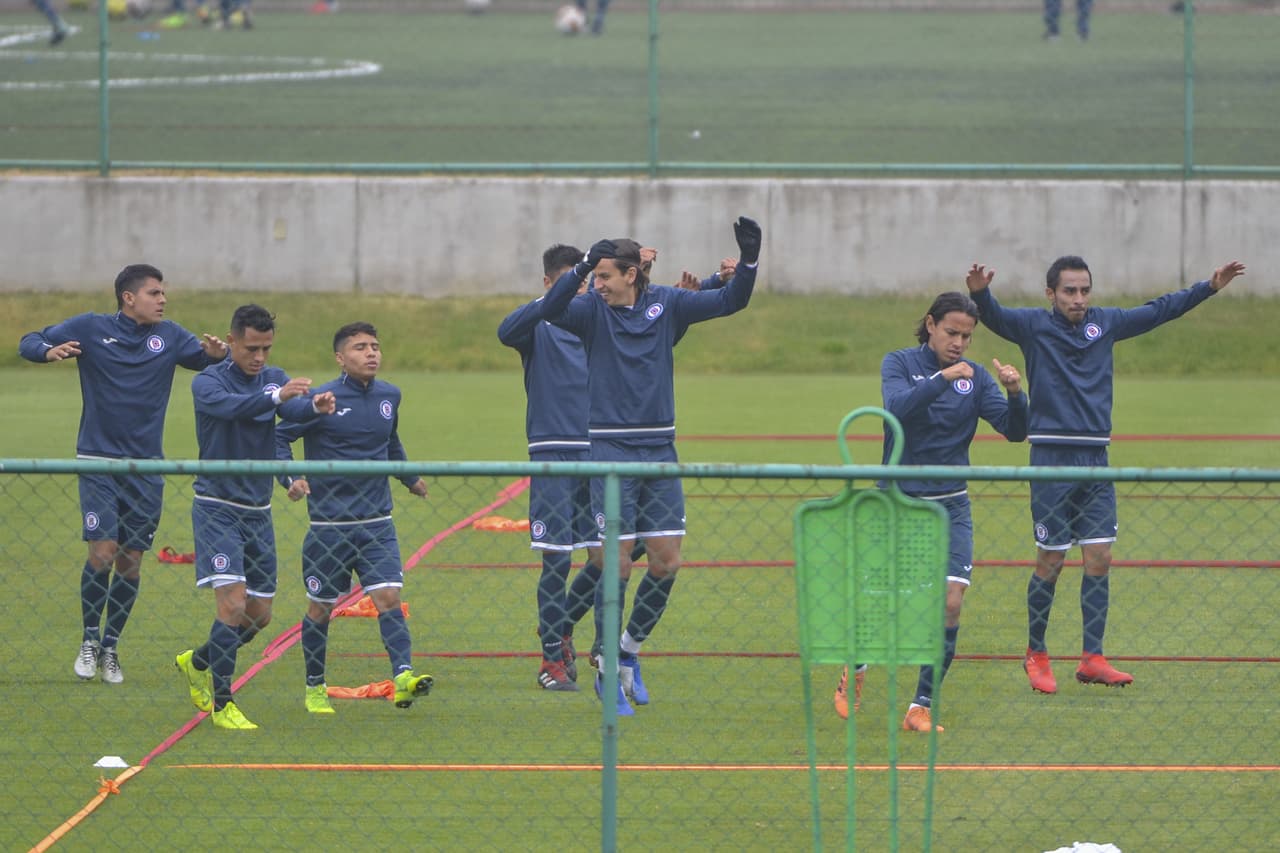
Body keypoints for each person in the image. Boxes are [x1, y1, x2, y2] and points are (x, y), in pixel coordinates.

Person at [966, 256, 1246, 694]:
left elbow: (1158, 311)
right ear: (1051, 294)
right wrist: (980, 293)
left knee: (1099, 557)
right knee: (1052, 560)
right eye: (1069, 291)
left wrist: (1208, 287)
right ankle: (1036, 653)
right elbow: (994, 316)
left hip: (1096, 460)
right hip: (1052, 462)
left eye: (1084, 290)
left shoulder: (1107, 323)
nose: (1078, 299)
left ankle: (1092, 657)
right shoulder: (1032, 327)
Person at [537, 217, 761, 714]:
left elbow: (731, 301)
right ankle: (605, 672)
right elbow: (549, 310)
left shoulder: (668, 304)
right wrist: (579, 275)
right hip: (610, 454)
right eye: (594, 277)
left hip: (660, 452)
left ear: (632, 275)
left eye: (604, 276)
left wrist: (749, 262)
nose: (598, 284)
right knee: (613, 564)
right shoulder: (590, 310)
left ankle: (628, 653)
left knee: (666, 561)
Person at [19, 264, 227, 684]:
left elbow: (204, 361)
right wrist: (47, 351)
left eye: (163, 292)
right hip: (97, 460)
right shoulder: (91, 328)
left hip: (147, 465)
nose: (163, 299)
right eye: (154, 293)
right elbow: (29, 340)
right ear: (128, 298)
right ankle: (89, 639)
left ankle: (112, 645)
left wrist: (216, 356)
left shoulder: (170, 335)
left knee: (131, 563)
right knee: (102, 551)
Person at [833, 292, 1027, 733]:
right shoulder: (899, 363)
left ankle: (920, 706)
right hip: (897, 501)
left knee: (950, 603)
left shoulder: (975, 378)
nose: (959, 343)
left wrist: (1016, 395)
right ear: (931, 324)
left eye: (967, 336)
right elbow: (897, 409)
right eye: (952, 333)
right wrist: (941, 378)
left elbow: (1015, 432)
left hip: (950, 505)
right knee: (879, 602)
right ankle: (856, 669)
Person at [174, 304, 335, 730]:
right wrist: (276, 397)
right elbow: (236, 409)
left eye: (265, 348)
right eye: (251, 348)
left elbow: (289, 415)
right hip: (217, 508)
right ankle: (222, 703)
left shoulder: (274, 377)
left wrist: (315, 407)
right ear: (231, 343)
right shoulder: (209, 381)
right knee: (231, 604)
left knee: (259, 614)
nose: (259, 357)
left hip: (258, 510)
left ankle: (198, 661)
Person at [275, 322, 434, 714]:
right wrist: (290, 478)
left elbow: (390, 441)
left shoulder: (390, 396)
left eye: (375, 346)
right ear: (340, 357)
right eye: (361, 347)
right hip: (329, 527)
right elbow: (279, 437)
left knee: (388, 598)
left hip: (378, 523)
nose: (371, 353)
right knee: (320, 609)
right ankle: (315, 686)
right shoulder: (321, 399)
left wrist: (409, 477)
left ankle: (402, 678)